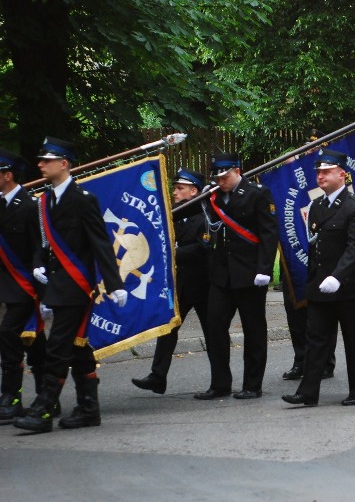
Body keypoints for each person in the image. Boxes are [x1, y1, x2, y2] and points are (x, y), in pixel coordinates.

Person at [14, 137, 127, 433]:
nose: (40, 164)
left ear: (63, 164)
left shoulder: (83, 198)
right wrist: (38, 263)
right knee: (77, 348)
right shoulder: (45, 199)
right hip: (55, 285)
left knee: (57, 348)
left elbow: (100, 242)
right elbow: (42, 240)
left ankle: (42, 409)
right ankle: (89, 409)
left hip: (77, 286)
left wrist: (114, 284)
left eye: (46, 160)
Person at [282, 149, 355, 406]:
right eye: (318, 172)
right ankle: (307, 392)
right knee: (316, 339)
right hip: (320, 284)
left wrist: (337, 277)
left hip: (348, 287)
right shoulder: (317, 206)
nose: (320, 176)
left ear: (342, 175)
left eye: (326, 171)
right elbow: (315, 246)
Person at [194, 152, 277, 400]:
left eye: (225, 176)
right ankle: (220, 383)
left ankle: (252, 384)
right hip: (222, 274)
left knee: (253, 330)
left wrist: (264, 269)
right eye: (218, 178)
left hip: (250, 274)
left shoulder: (257, 193)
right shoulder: (214, 196)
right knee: (215, 326)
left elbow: (269, 233)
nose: (221, 181)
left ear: (237, 172)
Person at [131, 168, 210, 394]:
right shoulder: (171, 214)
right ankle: (158, 377)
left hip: (203, 283)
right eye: (174, 188)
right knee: (167, 329)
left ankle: (220, 382)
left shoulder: (205, 214)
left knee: (212, 333)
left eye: (180, 188)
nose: (174, 192)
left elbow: (202, 247)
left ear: (194, 191)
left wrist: (173, 252)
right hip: (180, 284)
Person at [0, 149, 51, 422]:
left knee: (8, 332)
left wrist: (39, 274)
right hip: (7, 283)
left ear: (8, 176)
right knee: (33, 340)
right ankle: (46, 394)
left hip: (26, 284)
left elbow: (40, 244)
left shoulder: (30, 206)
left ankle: (11, 395)